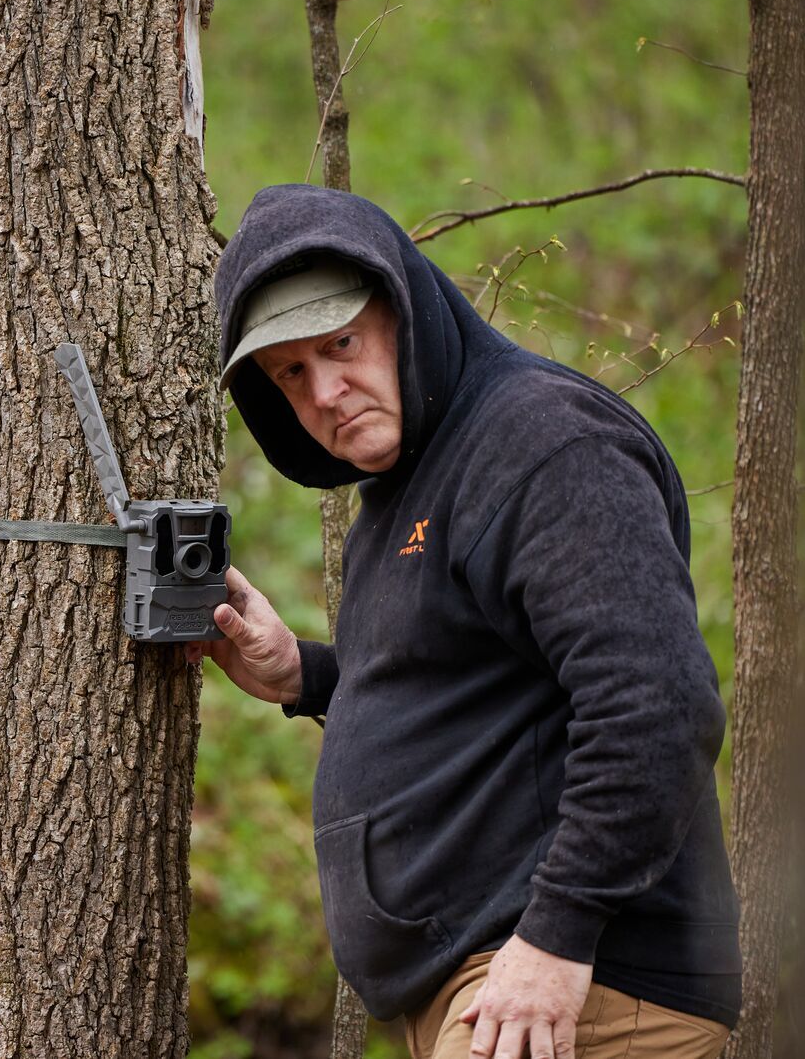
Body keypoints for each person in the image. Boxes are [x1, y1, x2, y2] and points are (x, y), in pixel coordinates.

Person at [193, 184, 741, 1059]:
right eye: (291, 373)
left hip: (577, 987)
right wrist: (307, 674)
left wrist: (556, 939)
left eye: (341, 345)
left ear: (405, 312)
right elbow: (480, 691)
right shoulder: (412, 482)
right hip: (500, 988)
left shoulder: (544, 445)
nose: (327, 391)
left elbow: (659, 703)